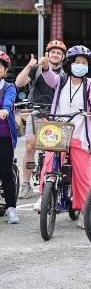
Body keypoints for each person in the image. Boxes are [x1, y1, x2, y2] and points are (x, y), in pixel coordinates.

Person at [41, 45, 91, 227]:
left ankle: (85, 210)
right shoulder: (61, 81)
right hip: (59, 132)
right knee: (48, 164)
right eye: (77, 62)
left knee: (83, 174)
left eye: (84, 63)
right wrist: (45, 67)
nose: (80, 65)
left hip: (80, 134)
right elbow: (49, 77)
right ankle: (45, 197)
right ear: (70, 64)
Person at [14, 40, 66, 200]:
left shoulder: (65, 73)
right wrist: (30, 65)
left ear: (63, 57)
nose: (55, 55)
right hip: (36, 112)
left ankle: (53, 182)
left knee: (56, 150)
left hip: (57, 114)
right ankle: (26, 184)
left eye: (59, 53)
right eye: (53, 52)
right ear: (47, 54)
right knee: (30, 146)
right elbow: (19, 83)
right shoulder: (36, 69)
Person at [0, 52, 20, 224]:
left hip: (4, 137)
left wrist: (5, 110)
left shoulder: (9, 87)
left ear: (5, 71)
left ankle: (11, 208)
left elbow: (9, 101)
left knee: (5, 172)